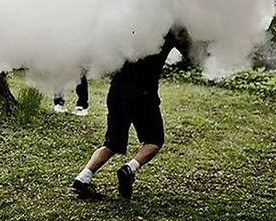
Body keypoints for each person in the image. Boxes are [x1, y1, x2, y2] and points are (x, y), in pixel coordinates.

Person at [70, 27, 191, 201]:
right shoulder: (171, 26)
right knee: (154, 140)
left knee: (112, 143)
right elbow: (191, 54)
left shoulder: (129, 14)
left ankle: (83, 177)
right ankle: (129, 169)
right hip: (143, 93)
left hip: (117, 90)